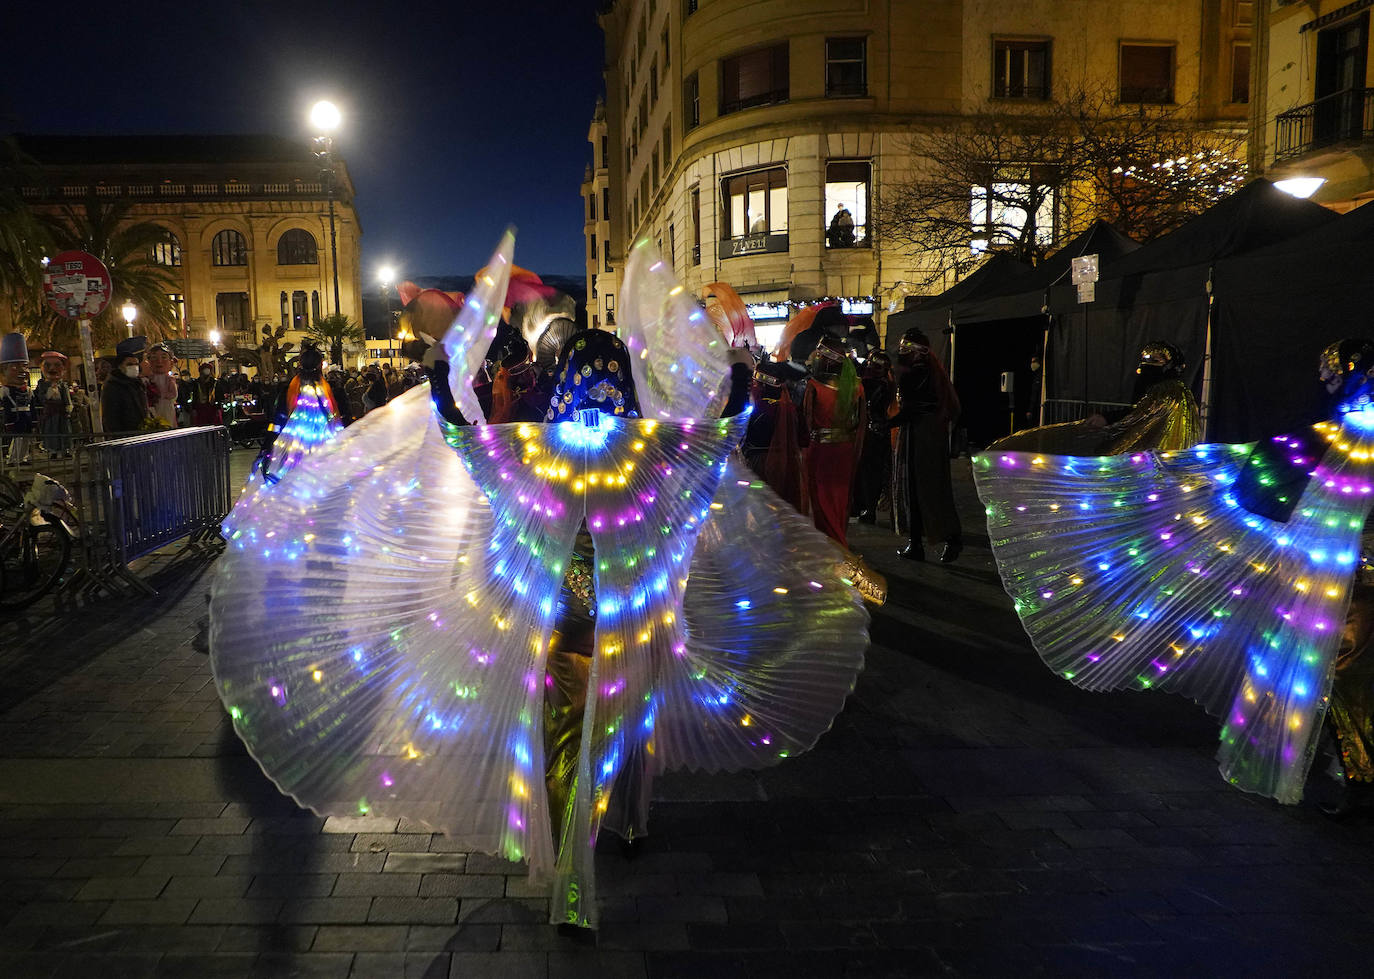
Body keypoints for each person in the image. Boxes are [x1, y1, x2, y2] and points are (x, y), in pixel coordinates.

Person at [209, 236, 870, 933]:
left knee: (561, 738)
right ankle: (627, 824)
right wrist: (737, 369)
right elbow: (729, 428)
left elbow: (460, 434)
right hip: (637, 624)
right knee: (626, 726)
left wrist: (441, 373)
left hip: (565, 624)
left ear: (565, 382)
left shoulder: (535, 453)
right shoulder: (659, 451)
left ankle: (568, 865)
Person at [973, 338, 1374, 806]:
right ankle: (1351, 766)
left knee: (1335, 667)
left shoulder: (1323, 442)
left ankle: (1356, 771)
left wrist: (1177, 477)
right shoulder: (1321, 441)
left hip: (1348, 587)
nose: (1324, 381)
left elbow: (1254, 491)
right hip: (1348, 580)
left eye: (1332, 374)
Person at [990, 341, 1200, 455]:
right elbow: (1139, 412)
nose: (1144, 373)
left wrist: (1112, 426)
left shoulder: (1169, 392)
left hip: (1161, 463)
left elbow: (1140, 418)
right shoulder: (1168, 390)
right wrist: (1106, 419)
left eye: (1151, 367)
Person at [889, 328, 962, 563]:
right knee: (931, 486)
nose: (901, 352)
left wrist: (887, 423)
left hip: (920, 435)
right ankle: (923, 541)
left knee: (918, 487)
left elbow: (911, 409)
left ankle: (926, 542)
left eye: (905, 348)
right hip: (930, 434)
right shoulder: (931, 371)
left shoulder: (917, 373)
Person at [801, 336, 866, 547]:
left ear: (827, 359)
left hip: (820, 451)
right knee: (840, 497)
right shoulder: (857, 386)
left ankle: (831, 543)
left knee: (821, 498)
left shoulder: (814, 386)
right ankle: (839, 538)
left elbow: (807, 422)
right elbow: (860, 423)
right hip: (845, 451)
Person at [853, 351, 895, 524]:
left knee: (869, 473)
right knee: (870, 473)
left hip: (872, 433)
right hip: (878, 432)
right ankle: (866, 507)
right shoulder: (885, 383)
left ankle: (869, 509)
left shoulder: (875, 385)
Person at [102, 336, 151, 434]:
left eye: (136, 364)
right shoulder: (113, 386)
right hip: (126, 436)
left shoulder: (137, 383)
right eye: (129, 364)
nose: (134, 367)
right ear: (120, 366)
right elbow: (110, 418)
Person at [1, 333, 35, 463]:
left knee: (26, 439)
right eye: (15, 367)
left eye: (25, 366)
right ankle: (13, 459)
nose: (22, 371)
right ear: (4, 371)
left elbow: (32, 406)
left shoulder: (28, 391)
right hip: (15, 418)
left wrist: (34, 420)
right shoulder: (5, 391)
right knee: (17, 440)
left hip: (26, 418)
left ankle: (22, 458)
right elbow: (6, 407)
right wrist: (8, 422)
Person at [33, 351, 73, 457]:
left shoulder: (62, 384)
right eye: (47, 365)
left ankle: (65, 449)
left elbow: (66, 397)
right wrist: (49, 391)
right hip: (50, 412)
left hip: (61, 411)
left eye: (57, 365)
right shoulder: (42, 384)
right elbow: (41, 397)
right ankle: (52, 450)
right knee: (51, 431)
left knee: (64, 430)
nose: (52, 368)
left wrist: (68, 407)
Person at [145, 342, 180, 429]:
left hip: (166, 407)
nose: (159, 361)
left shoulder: (169, 379)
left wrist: (162, 395)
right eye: (154, 357)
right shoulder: (148, 379)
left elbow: (173, 394)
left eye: (164, 357)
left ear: (171, 363)